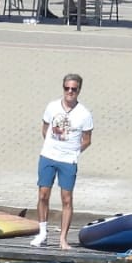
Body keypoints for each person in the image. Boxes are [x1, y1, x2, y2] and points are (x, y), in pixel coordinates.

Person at [33, 73, 94, 249]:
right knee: (43, 194)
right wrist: (51, 146)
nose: (70, 92)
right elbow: (45, 128)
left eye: (73, 89)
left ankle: (63, 238)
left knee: (66, 198)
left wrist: (74, 152)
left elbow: (87, 139)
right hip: (48, 156)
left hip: (68, 160)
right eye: (67, 88)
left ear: (79, 90)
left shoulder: (84, 114)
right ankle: (42, 233)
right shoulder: (52, 106)